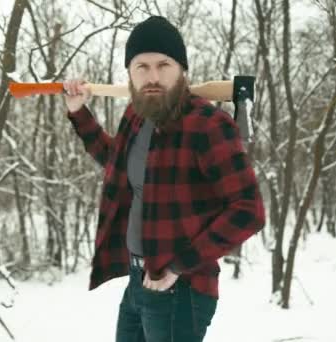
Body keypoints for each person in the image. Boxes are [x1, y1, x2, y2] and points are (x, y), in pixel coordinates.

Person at [63, 15, 265, 342]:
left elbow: (249, 210)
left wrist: (178, 266)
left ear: (181, 70)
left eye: (163, 64)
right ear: (129, 73)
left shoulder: (209, 125)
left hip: (181, 288)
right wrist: (78, 112)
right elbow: (118, 163)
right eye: (142, 66)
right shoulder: (136, 114)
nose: (153, 76)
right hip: (138, 279)